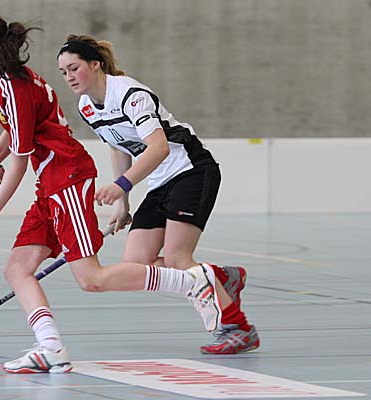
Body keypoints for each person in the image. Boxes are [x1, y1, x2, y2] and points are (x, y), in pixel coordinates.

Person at [0, 11, 229, 374]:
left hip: (67, 179)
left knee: (91, 279)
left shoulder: (17, 87)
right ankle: (50, 348)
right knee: (17, 268)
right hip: (49, 184)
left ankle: (193, 281)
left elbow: (20, 162)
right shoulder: (7, 83)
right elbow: (19, 127)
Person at [57, 35, 260, 354]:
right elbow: (118, 146)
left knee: (179, 258)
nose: (69, 77)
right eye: (63, 72)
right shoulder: (86, 106)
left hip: (191, 171)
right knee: (137, 262)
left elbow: (159, 148)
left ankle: (237, 328)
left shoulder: (130, 95)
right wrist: (122, 202)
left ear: (95, 65)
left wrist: (122, 184)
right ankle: (220, 277)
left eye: (74, 68)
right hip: (160, 181)